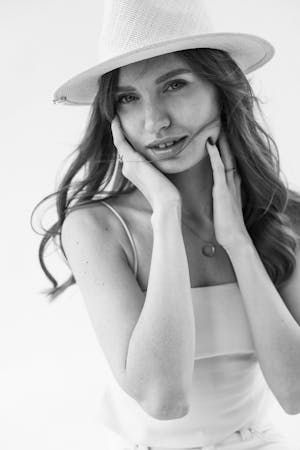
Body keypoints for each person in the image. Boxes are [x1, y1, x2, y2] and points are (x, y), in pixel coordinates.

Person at [31, 0, 300, 448]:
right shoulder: (98, 228)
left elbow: (294, 393)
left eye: (174, 84)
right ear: (112, 117)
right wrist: (167, 215)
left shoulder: (285, 217)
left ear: (222, 88)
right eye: (128, 98)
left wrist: (238, 241)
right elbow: (163, 397)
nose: (154, 120)